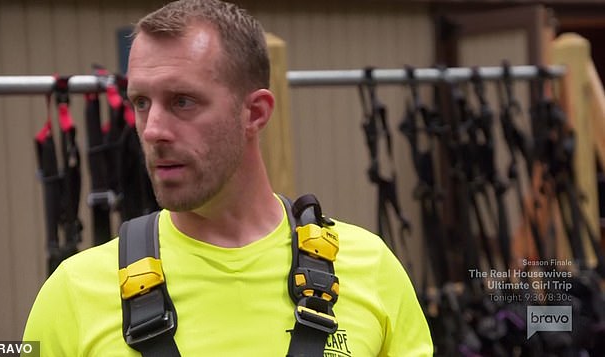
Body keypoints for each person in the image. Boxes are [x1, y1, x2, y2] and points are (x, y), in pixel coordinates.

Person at [23, 0, 433, 355]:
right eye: (142, 102)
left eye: (182, 101)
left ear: (255, 113)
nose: (152, 130)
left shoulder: (370, 268)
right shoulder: (73, 294)